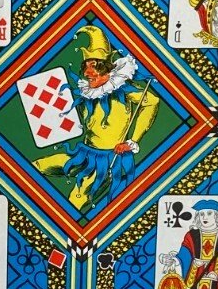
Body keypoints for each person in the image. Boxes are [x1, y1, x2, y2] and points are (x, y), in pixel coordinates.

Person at [36, 25, 159, 214]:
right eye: (85, 67)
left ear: (105, 68)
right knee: (37, 166)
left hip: (108, 160)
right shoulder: (88, 91)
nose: (87, 73)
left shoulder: (122, 88)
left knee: (75, 201)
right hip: (83, 153)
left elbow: (152, 102)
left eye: (93, 67)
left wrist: (132, 141)